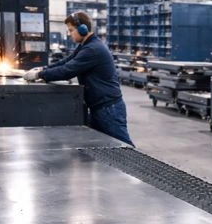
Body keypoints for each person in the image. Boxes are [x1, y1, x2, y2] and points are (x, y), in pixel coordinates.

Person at [23, 11, 134, 146]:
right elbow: (66, 62)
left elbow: (67, 70)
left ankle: (143, 167)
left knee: (124, 148)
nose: (69, 34)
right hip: (98, 108)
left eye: (71, 30)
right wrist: (43, 69)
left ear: (82, 29)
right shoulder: (85, 46)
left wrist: (39, 75)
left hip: (109, 109)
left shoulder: (92, 49)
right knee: (99, 147)